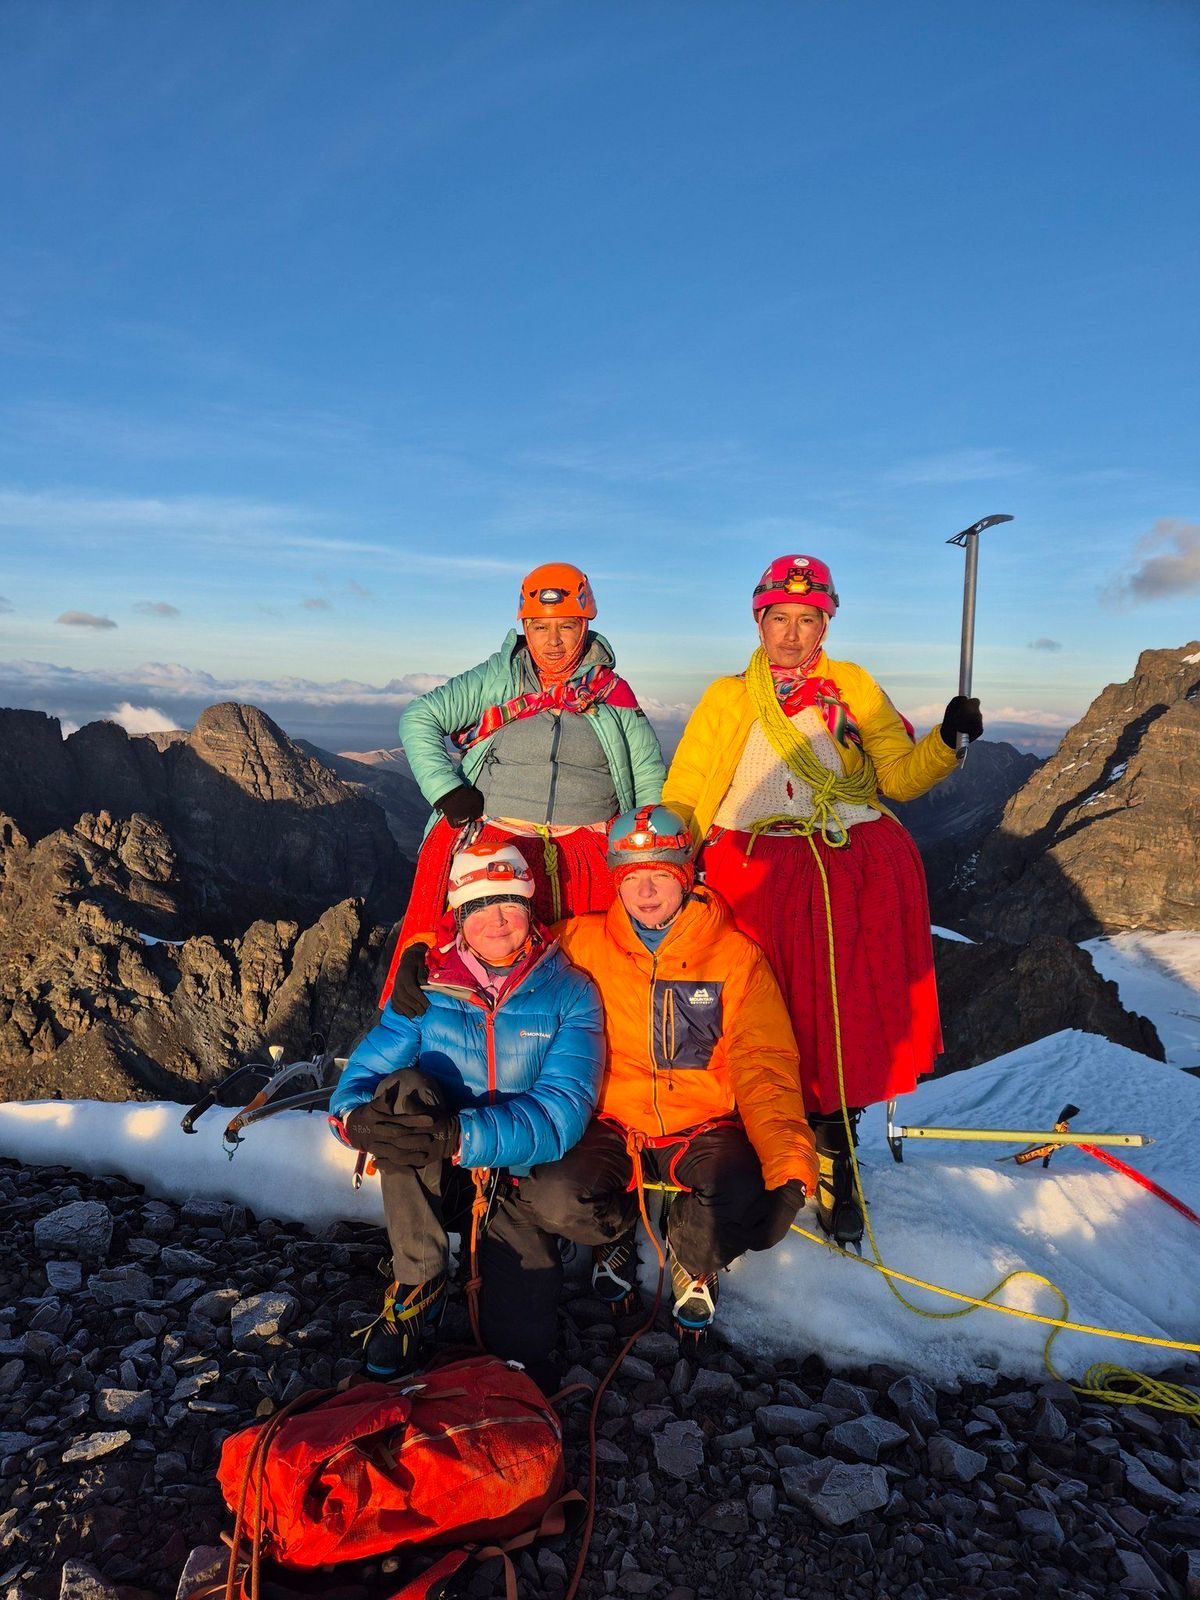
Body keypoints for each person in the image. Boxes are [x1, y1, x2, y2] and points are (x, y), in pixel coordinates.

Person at [662, 554, 982, 1248]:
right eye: (781, 618)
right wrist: (665, 850)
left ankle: (837, 1157)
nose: (793, 633)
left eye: (808, 620)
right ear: (761, 621)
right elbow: (688, 787)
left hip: (845, 867)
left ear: (824, 624)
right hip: (753, 869)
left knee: (838, 1018)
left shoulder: (853, 687)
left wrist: (947, 742)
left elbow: (896, 776)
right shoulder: (728, 697)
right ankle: (729, 1147)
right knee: (743, 1006)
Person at [509, 805, 819, 1344]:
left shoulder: (734, 958)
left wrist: (789, 1161)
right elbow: (495, 945)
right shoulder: (578, 944)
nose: (646, 892)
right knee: (552, 1196)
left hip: (702, 1125)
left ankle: (691, 1252)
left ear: (686, 877)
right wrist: (426, 954)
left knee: (747, 1202)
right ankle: (619, 1226)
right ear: (616, 884)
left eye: (660, 876)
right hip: (610, 1122)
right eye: (632, 878)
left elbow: (764, 1064)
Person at [329, 841, 604, 1389]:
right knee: (401, 1088)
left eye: (508, 903)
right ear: (459, 917)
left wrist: (460, 1134)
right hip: (437, 1172)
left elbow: (561, 1114)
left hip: (518, 1179)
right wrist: (352, 1121)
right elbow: (358, 1080)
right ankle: (419, 1278)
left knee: (520, 1353)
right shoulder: (426, 992)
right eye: (479, 907)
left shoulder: (572, 992)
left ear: (530, 908)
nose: (497, 921)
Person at [380, 562, 665, 1014]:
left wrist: (650, 849)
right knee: (475, 977)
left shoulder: (612, 692)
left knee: (591, 986)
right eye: (538, 626)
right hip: (496, 844)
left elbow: (646, 771)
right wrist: (447, 790)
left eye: (567, 626)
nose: (552, 642)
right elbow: (420, 717)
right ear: (524, 627)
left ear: (586, 625)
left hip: (587, 853)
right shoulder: (498, 677)